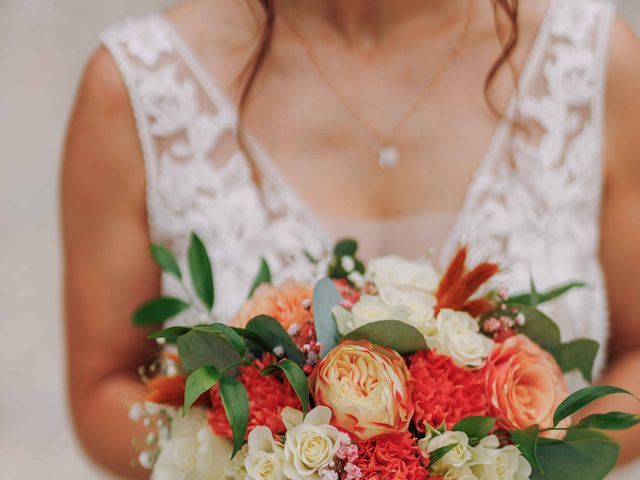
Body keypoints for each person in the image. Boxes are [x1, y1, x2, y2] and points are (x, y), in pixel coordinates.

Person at [62, 0, 640, 477]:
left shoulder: (593, 61)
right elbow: (102, 388)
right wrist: (244, 462)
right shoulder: (136, 88)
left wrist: (522, 459)